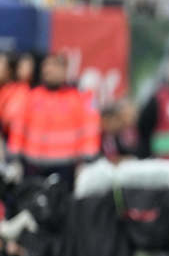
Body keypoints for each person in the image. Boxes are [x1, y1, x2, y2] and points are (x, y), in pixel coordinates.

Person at [6, 53, 100, 189]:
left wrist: (87, 162)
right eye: (46, 66)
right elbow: (18, 128)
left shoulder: (77, 99)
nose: (48, 70)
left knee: (60, 206)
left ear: (64, 70)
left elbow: (89, 133)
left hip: (65, 165)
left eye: (54, 66)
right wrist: (14, 159)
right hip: (33, 165)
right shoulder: (31, 97)